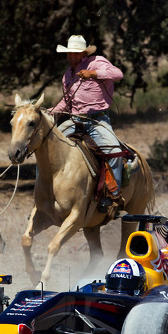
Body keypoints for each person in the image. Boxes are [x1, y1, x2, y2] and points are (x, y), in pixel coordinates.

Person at [51, 35, 125, 213]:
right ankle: (49, 190)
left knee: (114, 152)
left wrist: (94, 74)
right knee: (49, 145)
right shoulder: (67, 74)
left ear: (84, 52)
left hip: (97, 120)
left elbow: (118, 74)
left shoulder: (97, 62)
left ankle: (112, 195)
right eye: (70, 52)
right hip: (74, 120)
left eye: (76, 52)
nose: (72, 55)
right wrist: (50, 113)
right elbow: (66, 103)